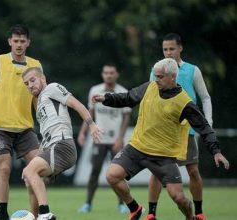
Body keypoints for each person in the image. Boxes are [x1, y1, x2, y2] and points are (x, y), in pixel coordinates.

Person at [92, 58, 230, 220]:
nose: (156, 80)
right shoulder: (149, 87)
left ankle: (190, 217)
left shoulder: (185, 102)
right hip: (137, 148)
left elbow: (204, 128)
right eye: (155, 76)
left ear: (172, 77)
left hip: (164, 156)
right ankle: (135, 209)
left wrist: (216, 151)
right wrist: (106, 98)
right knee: (112, 176)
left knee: (179, 199)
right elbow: (127, 98)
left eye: (160, 77)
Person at [0, 25, 42, 220]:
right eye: (16, 41)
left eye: (23, 41)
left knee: (37, 171)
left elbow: (37, 95)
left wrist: (43, 117)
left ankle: (37, 215)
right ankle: (3, 215)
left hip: (26, 128)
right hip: (1, 127)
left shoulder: (35, 65)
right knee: (4, 169)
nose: (19, 44)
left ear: (28, 43)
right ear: (10, 42)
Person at [147, 33, 213, 220]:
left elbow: (205, 98)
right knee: (156, 173)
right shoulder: (156, 70)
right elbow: (151, 98)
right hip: (163, 132)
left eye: (171, 48)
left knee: (193, 171)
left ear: (180, 48)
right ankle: (151, 214)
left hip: (187, 130)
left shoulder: (193, 70)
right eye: (165, 49)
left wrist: (208, 121)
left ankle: (199, 212)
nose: (168, 53)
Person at [21, 67, 101, 220]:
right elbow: (46, 135)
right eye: (26, 83)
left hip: (62, 145)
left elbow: (77, 105)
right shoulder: (39, 105)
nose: (30, 85)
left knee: (29, 172)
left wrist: (91, 125)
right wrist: (39, 153)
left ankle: (45, 213)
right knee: (29, 180)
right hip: (53, 146)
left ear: (43, 79)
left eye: (33, 80)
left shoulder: (52, 88)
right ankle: (36, 217)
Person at [77, 64, 131, 213]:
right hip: (99, 139)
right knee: (95, 171)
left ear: (116, 74)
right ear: (102, 74)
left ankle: (122, 204)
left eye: (111, 72)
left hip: (116, 140)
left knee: (119, 173)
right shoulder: (95, 90)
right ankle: (87, 204)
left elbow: (126, 116)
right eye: (106, 72)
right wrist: (82, 132)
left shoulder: (122, 92)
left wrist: (121, 138)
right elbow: (89, 114)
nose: (108, 75)